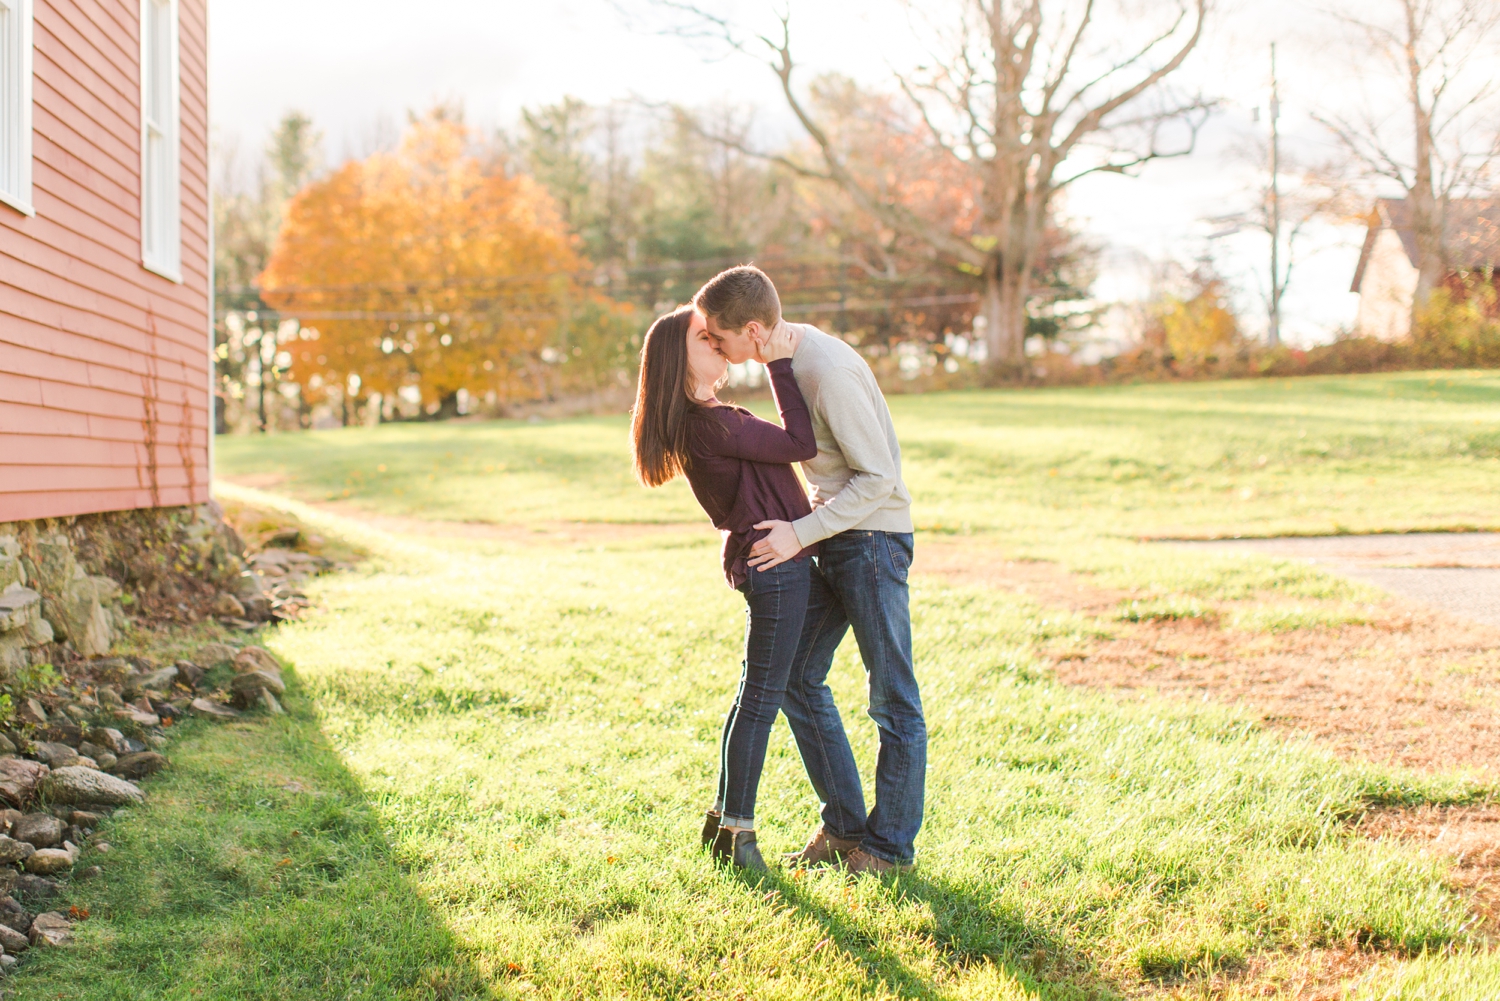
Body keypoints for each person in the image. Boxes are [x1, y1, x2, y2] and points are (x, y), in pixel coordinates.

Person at [693, 265, 925, 875]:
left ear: (752, 330)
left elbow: (879, 479)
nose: (716, 349)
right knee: (797, 675)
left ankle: (890, 848)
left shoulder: (827, 371)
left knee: (892, 698)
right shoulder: (785, 360)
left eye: (720, 339)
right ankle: (846, 828)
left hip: (873, 541)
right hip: (838, 537)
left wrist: (800, 531)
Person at [629, 305, 818, 871]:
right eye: (702, 336)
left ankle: (722, 821)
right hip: (776, 571)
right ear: (676, 356)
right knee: (760, 699)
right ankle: (737, 832)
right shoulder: (712, 422)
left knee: (753, 695)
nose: (714, 340)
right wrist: (780, 365)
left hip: (772, 566)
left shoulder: (708, 419)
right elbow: (800, 443)